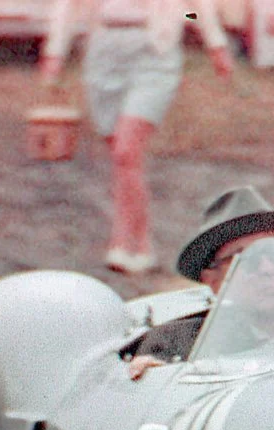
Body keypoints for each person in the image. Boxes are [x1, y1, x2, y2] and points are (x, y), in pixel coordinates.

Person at [38, 0, 236, 274]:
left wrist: (216, 44)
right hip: (104, 50)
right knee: (123, 159)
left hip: (154, 49)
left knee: (126, 151)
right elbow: (67, 5)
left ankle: (135, 243)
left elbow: (198, 4)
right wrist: (55, 51)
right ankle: (131, 239)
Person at [126, 185, 274, 378]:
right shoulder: (178, 343)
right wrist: (153, 374)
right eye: (245, 259)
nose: (267, 269)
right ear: (213, 281)